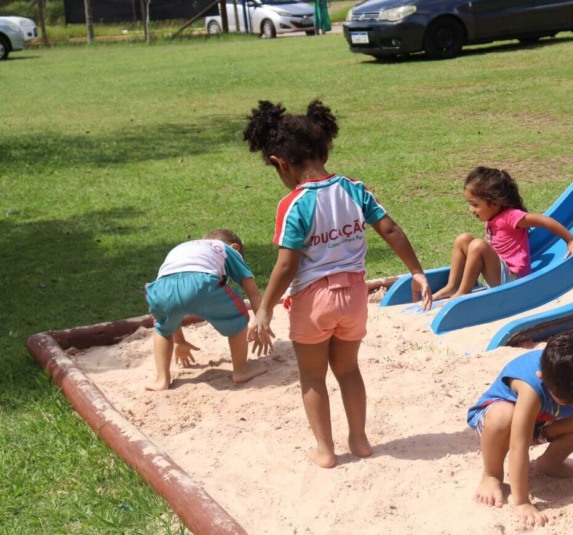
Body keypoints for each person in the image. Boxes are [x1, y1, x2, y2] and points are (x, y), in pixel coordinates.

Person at [244, 99, 432, 469]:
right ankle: (360, 439)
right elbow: (389, 228)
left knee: (312, 375)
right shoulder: (354, 189)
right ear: (323, 150)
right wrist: (416, 271)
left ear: (281, 164)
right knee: (348, 369)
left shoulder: (294, 203)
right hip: (355, 297)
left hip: (314, 300)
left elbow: (286, 264)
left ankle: (325, 450)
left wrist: (263, 308)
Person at [466, 331, 573, 527]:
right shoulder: (532, 387)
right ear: (542, 378)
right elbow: (518, 446)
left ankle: (550, 463)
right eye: (565, 400)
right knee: (502, 415)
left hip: (541, 423)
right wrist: (522, 502)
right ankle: (491, 475)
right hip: (499, 423)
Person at [431, 166, 573, 300]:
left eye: (475, 205)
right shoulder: (492, 215)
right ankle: (453, 286)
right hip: (497, 274)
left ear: (495, 203)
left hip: (513, 280)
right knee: (463, 239)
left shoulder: (511, 216)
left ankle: (463, 292)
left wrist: (570, 240)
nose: (470, 209)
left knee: (477, 245)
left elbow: (544, 221)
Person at [144, 229, 269, 391]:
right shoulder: (227, 249)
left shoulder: (184, 248)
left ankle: (162, 379)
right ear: (235, 247)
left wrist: (179, 341)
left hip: (160, 290)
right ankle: (241, 370)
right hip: (202, 284)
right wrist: (261, 321)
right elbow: (253, 293)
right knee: (237, 316)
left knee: (162, 326)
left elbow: (176, 293)